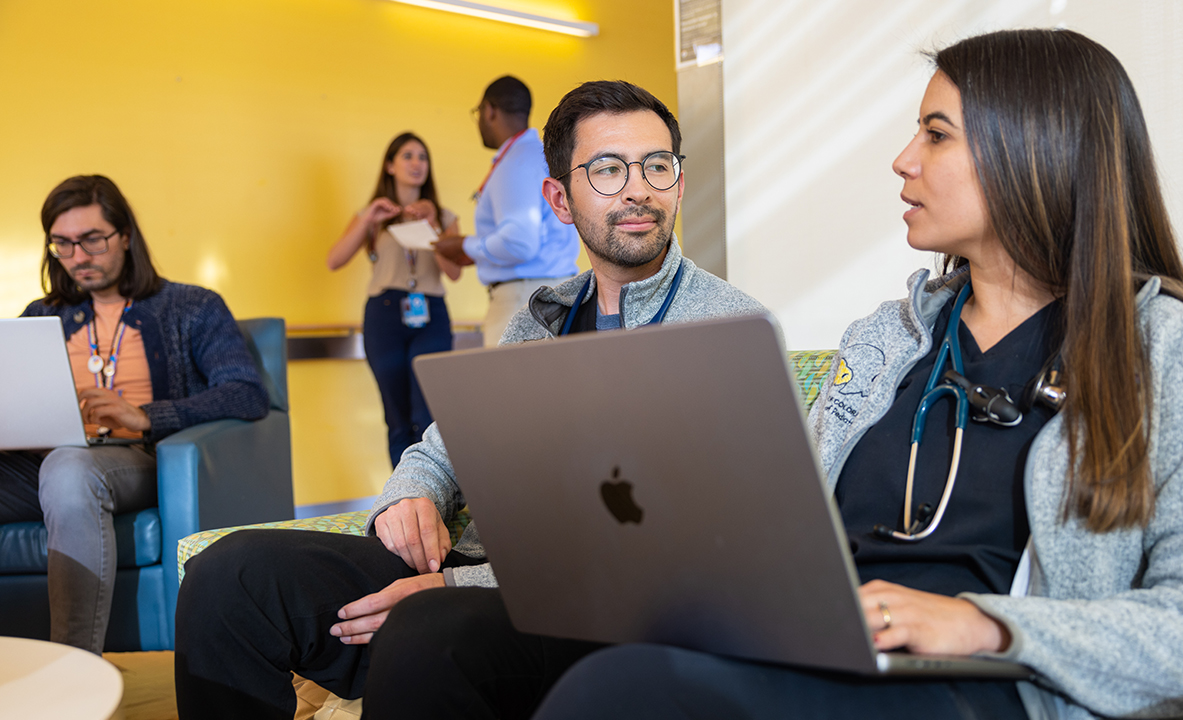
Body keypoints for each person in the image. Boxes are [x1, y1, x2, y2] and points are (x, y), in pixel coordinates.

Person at [527, 29, 1183, 720]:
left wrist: (987, 622)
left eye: (936, 134)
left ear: (1034, 149)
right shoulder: (891, 338)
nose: (903, 159)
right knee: (456, 645)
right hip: (820, 646)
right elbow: (779, 526)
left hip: (984, 687)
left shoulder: (1178, 355)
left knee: (620, 692)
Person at [174, 80, 771, 719]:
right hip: (469, 576)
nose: (638, 188)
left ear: (678, 182)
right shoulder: (540, 318)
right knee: (229, 577)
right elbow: (449, 439)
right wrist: (412, 492)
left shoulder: (727, 330)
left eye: (657, 165)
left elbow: (689, 554)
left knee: (427, 630)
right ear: (559, 200)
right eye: (606, 169)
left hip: (597, 619)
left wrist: (454, 585)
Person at [0, 175, 268, 655]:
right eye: (62, 244)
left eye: (91, 240)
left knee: (69, 469)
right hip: (39, 462)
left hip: (135, 458)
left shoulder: (192, 306)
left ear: (125, 235)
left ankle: (75, 669)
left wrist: (147, 415)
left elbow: (245, 392)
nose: (78, 256)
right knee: (61, 463)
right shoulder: (41, 314)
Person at [328, 132, 462, 466]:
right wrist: (368, 219)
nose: (417, 164)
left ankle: (433, 495)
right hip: (384, 315)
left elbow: (454, 272)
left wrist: (431, 225)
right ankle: (401, 501)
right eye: (407, 156)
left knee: (427, 412)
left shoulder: (445, 218)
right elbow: (335, 260)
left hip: (430, 315)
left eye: (422, 157)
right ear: (389, 165)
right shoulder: (371, 217)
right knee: (397, 416)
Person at [432, 75, 581, 347]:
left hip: (522, 299)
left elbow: (519, 242)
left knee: (509, 389)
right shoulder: (542, 155)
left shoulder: (516, 163)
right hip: (555, 293)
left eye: (477, 113)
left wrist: (465, 246)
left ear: (489, 110)